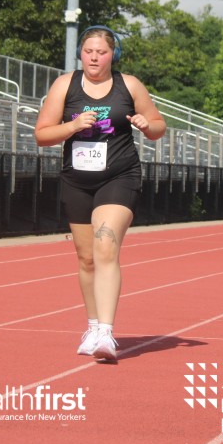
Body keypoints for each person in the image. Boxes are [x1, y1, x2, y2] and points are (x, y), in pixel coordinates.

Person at [34, 26, 166, 363]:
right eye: (89, 51)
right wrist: (73, 126)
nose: (94, 58)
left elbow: (158, 126)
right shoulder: (65, 85)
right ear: (81, 53)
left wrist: (146, 125)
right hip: (77, 180)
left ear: (113, 55)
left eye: (101, 52)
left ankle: (106, 332)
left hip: (119, 176)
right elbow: (42, 135)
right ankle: (92, 327)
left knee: (105, 246)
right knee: (87, 258)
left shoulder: (129, 85)